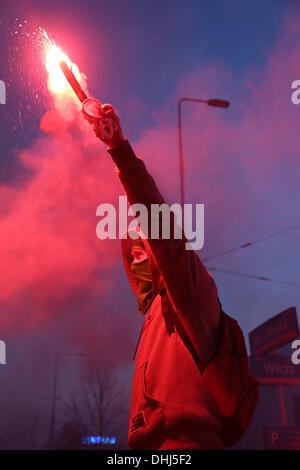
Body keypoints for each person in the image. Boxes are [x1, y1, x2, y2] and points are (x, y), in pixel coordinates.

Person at [85, 103, 259, 450]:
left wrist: (119, 150)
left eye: (142, 247)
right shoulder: (152, 315)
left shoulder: (192, 296)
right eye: (130, 252)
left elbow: (160, 228)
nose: (135, 257)